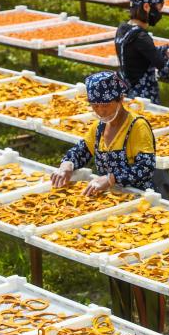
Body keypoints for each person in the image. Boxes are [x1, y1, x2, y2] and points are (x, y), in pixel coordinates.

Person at [51, 70, 156, 322]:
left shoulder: (137, 127)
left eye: (105, 104)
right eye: (95, 105)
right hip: (111, 208)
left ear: (120, 99)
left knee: (141, 267)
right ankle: (124, 319)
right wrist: (67, 164)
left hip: (139, 206)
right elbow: (81, 150)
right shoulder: (100, 128)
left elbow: (145, 166)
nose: (99, 110)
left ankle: (150, 322)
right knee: (115, 263)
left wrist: (110, 179)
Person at [115, 0, 169, 197]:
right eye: (159, 7)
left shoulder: (124, 30)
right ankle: (156, 191)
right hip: (144, 99)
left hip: (128, 96)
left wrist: (163, 50)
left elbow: (143, 54)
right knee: (149, 144)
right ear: (147, 7)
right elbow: (165, 70)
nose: (160, 12)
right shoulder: (141, 36)